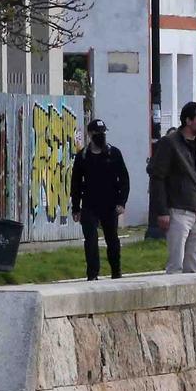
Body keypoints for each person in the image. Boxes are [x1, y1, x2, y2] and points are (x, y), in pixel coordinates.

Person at [148, 101, 196, 273]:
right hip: (178, 211)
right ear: (188, 120)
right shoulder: (169, 143)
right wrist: (162, 211)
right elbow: (157, 177)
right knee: (176, 264)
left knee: (193, 266)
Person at [69, 117, 130, 280]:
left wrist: (121, 202)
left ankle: (116, 272)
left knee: (112, 240)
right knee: (91, 240)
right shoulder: (82, 157)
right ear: (90, 134)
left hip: (110, 205)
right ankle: (92, 274)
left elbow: (124, 179)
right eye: (97, 133)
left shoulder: (114, 153)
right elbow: (75, 184)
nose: (101, 136)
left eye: (103, 133)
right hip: (89, 205)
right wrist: (75, 208)